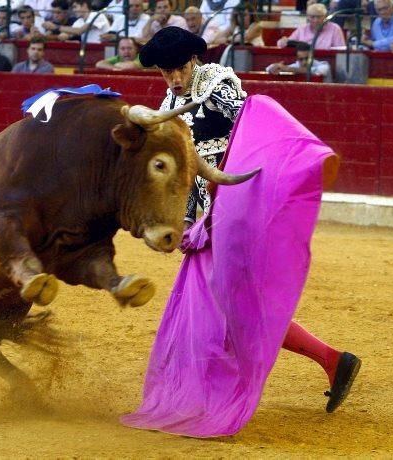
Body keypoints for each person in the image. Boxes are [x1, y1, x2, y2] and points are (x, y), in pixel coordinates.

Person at [138, 26, 361, 414]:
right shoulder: (171, 98)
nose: (173, 78)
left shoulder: (218, 84)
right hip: (202, 219)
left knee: (221, 306)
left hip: (232, 211)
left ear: (194, 60)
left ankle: (209, 394)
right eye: (165, 72)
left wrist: (227, 190)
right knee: (229, 305)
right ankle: (331, 359)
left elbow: (255, 126)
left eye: (178, 69)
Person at [276, 3, 345, 50]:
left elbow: (341, 51)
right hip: (304, 63)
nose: (315, 20)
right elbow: (286, 43)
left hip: (326, 63)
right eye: (312, 17)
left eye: (319, 17)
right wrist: (283, 42)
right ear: (307, 17)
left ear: (325, 16)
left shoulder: (335, 29)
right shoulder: (302, 29)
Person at [266, 42, 332, 82]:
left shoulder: (323, 65)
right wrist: (275, 67)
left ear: (312, 56)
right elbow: (268, 68)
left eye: (307, 58)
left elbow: (319, 71)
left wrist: (288, 69)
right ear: (297, 58)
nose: (304, 62)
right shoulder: (295, 66)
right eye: (301, 59)